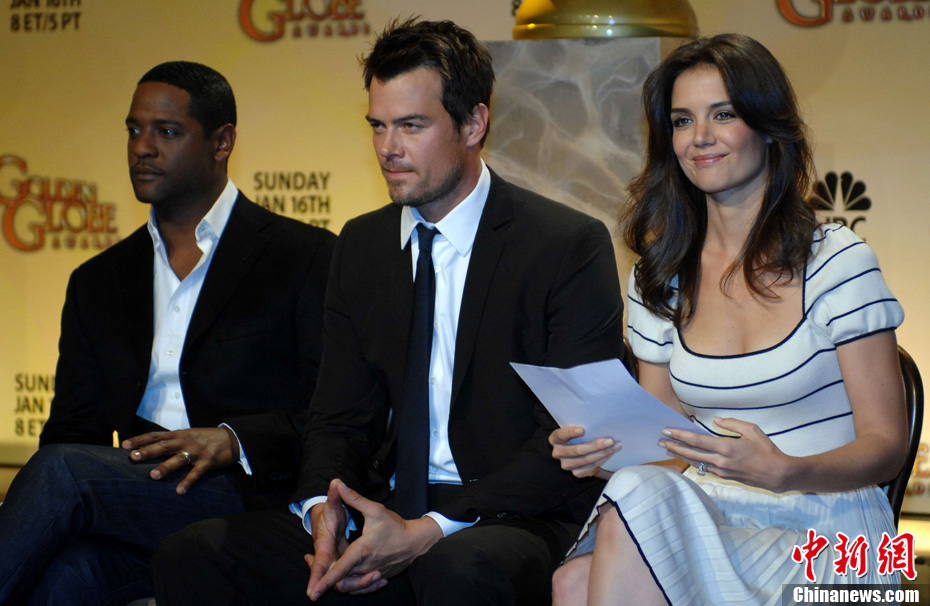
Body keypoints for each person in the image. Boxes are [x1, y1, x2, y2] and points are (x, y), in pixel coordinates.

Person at [150, 18, 624, 606]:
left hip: (511, 515)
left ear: (474, 123)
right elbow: (337, 415)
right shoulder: (362, 244)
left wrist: (428, 529)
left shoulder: (564, 244)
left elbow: (568, 439)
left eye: (411, 125)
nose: (387, 148)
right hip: (384, 505)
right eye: (377, 125)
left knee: (459, 570)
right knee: (195, 553)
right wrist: (324, 509)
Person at [549, 34, 906, 605]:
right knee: (577, 570)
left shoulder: (838, 263)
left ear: (767, 127)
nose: (700, 137)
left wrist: (785, 470)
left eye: (723, 114)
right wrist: (601, 456)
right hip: (711, 511)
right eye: (682, 121)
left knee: (587, 575)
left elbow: (887, 445)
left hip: (829, 526)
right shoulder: (659, 276)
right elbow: (666, 446)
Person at [0, 61, 335, 606]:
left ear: (222, 142)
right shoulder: (98, 280)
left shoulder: (305, 257)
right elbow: (72, 431)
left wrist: (233, 438)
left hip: (248, 497)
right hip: (137, 496)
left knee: (64, 473)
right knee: (67, 574)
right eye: (134, 130)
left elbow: (332, 413)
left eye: (167, 131)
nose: (142, 148)